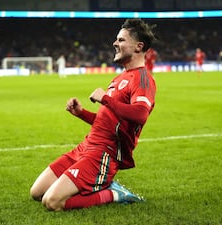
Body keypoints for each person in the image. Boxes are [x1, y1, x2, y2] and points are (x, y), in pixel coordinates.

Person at [30, 18, 157, 211]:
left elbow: (140, 114)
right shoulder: (120, 78)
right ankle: (92, 185)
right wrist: (81, 113)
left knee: (52, 202)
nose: (115, 44)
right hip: (86, 146)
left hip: (103, 153)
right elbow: (106, 122)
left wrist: (106, 99)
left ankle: (114, 193)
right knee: (37, 193)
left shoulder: (143, 79)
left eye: (121, 40)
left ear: (139, 46)